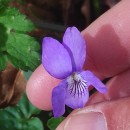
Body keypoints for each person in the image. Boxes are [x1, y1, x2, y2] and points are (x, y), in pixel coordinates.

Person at [26, 0, 130, 129]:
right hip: (77, 77)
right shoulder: (72, 75)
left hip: (75, 76)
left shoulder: (70, 74)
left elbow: (95, 83)